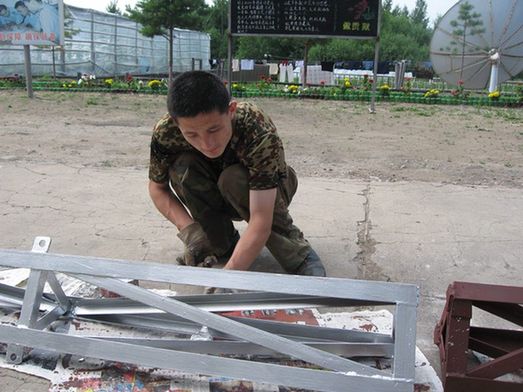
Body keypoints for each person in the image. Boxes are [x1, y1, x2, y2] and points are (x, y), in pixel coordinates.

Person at [148, 71, 326, 283]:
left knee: (232, 179)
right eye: (192, 135)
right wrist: (190, 232)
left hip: (267, 189)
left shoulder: (256, 127)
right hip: (216, 188)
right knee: (182, 167)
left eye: (214, 129)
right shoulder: (165, 132)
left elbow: (261, 217)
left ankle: (298, 254)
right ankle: (222, 244)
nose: (207, 143)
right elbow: (157, 188)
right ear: (176, 124)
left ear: (231, 110)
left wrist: (230, 276)